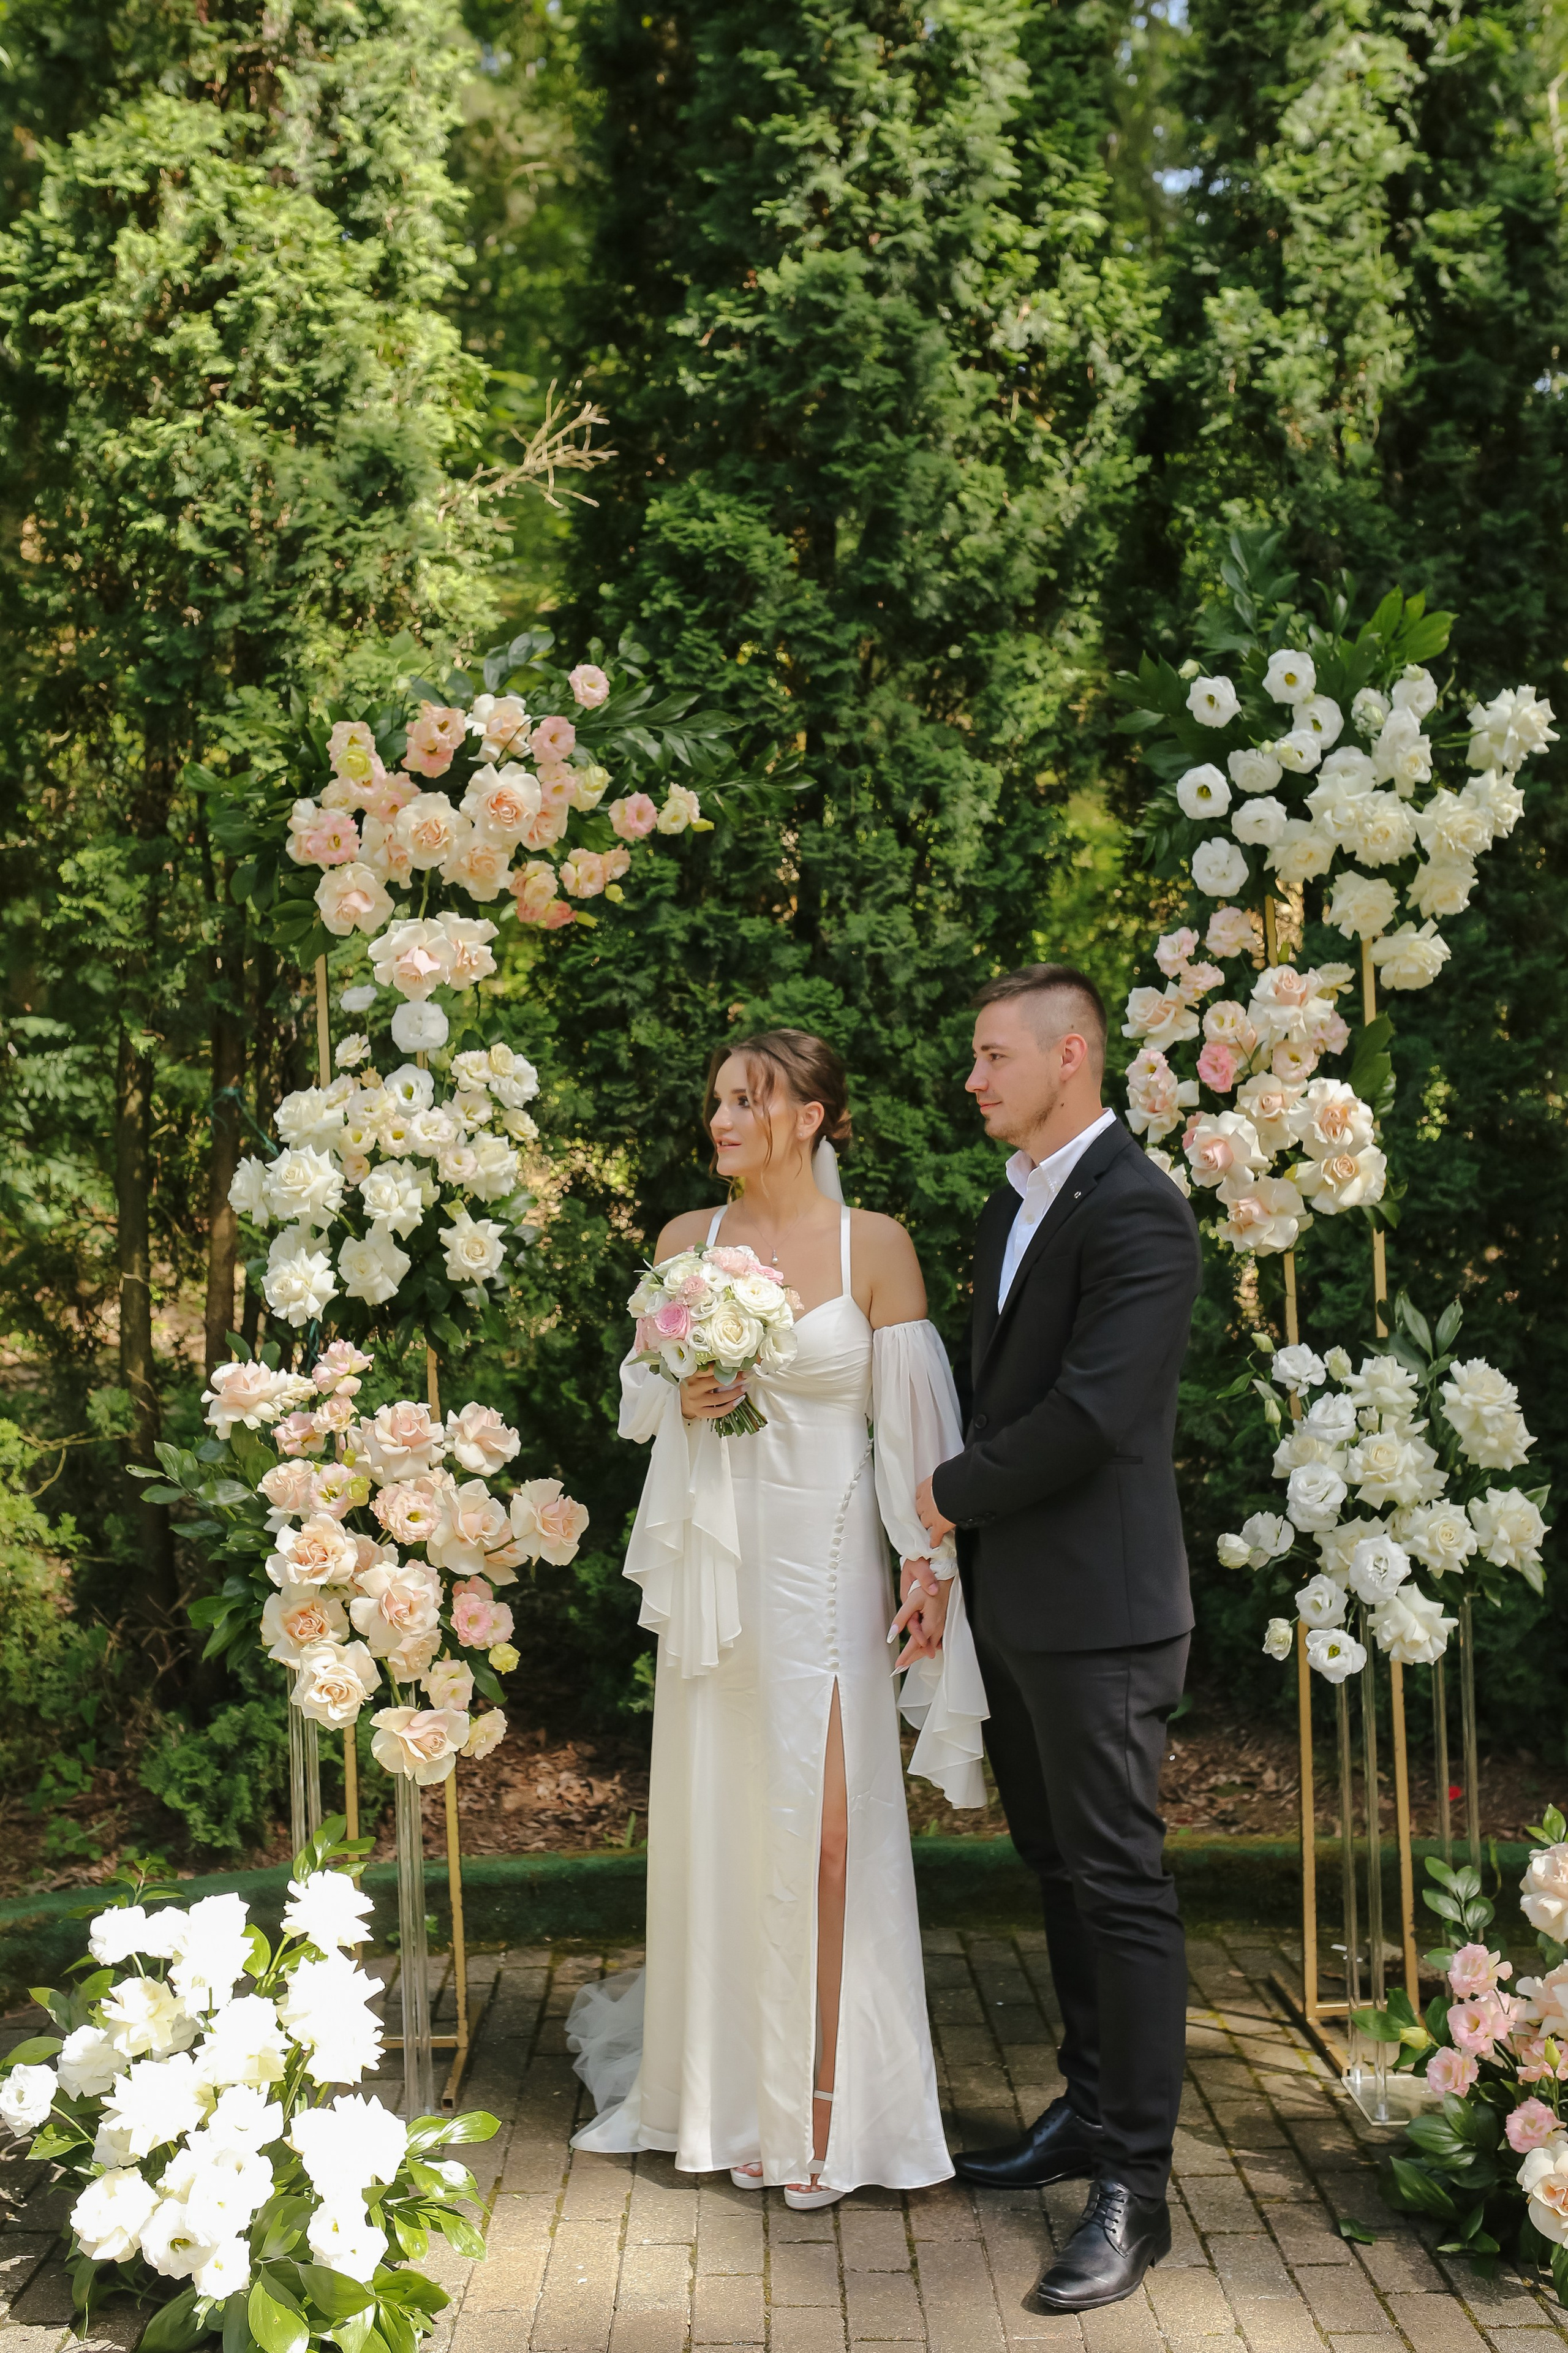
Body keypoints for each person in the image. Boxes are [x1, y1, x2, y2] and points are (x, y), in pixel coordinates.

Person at [567, 1028, 987, 2208]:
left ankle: (830, 2105)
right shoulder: (684, 1244)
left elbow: (914, 1430)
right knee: (730, 1827)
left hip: (832, 1569)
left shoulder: (874, 1245)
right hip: (724, 1568)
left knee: (835, 1835)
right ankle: (736, 2103)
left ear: (811, 1116)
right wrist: (684, 1393)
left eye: (748, 1100)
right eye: (717, 1099)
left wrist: (930, 1565)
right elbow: (638, 1396)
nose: (723, 1119)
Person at [914, 963, 1202, 2316]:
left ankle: (1136, 2189)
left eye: (994, 1056)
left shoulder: (1139, 1210)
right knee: (1060, 1872)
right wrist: (953, 1554)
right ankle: (1087, 2112)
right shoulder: (1009, 1203)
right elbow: (998, 1387)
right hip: (1016, 1602)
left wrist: (943, 1493)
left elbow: (1089, 1413)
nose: (973, 1078)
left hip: (1104, 1614)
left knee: (1120, 1886)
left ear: (1070, 1054)